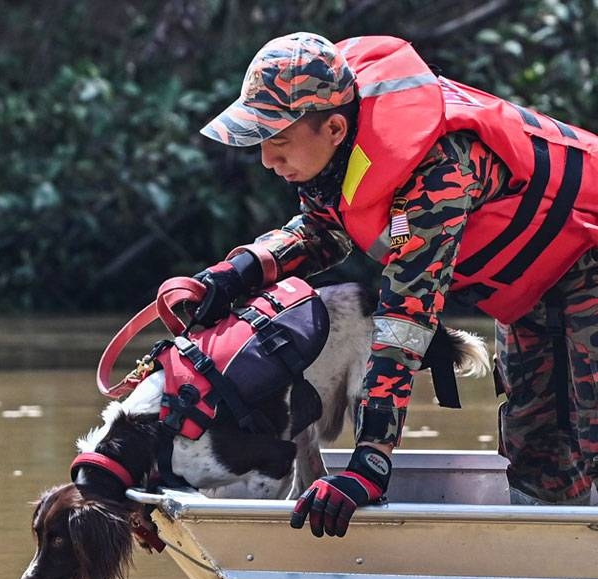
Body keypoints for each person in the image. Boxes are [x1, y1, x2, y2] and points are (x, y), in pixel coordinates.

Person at [192, 32, 598, 537]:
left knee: (587, 425)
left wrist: (369, 464)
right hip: (537, 288)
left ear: (335, 127)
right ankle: (555, 564)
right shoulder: (339, 160)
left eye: (276, 141)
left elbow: (406, 322)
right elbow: (323, 230)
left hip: (587, 268)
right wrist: (238, 272)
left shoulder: (437, 172)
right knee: (536, 445)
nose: (266, 160)